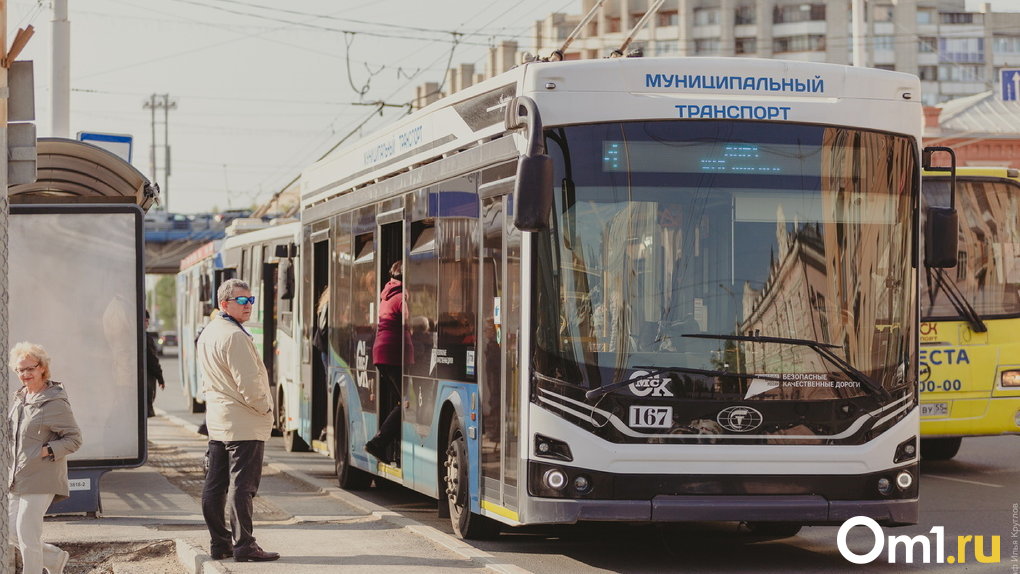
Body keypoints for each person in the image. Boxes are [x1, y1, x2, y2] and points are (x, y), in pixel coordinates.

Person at [196, 278, 279, 562]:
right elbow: (250, 383)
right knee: (243, 486)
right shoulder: (235, 336)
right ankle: (244, 545)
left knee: (215, 484)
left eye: (251, 300)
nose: (248, 306)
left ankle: (220, 544)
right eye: (241, 301)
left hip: (219, 422)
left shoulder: (209, 332)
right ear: (224, 303)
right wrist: (266, 409)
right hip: (243, 422)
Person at [8, 342, 82, 574]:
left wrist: (45, 450)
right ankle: (52, 558)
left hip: (42, 476)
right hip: (17, 477)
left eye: (30, 369)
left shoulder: (54, 401)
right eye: (20, 370)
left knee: (27, 534)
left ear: (42, 368)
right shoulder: (21, 399)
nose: (25, 374)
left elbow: (74, 439)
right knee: (9, 530)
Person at [365, 260, 412, 463]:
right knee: (407, 403)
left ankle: (389, 448)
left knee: (401, 401)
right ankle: (378, 443)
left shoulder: (387, 294)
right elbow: (410, 321)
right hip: (393, 353)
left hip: (381, 353)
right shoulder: (402, 297)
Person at [144, 310, 166, 417]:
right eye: (146, 321)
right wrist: (160, 378)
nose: (147, 324)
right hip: (146, 383)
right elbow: (153, 361)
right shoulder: (146, 339)